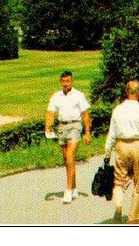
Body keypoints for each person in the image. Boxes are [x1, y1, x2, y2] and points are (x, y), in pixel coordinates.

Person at [104, 80, 139, 224]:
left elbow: (112, 133)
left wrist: (107, 153)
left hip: (121, 145)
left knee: (119, 180)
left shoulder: (117, 109)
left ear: (126, 92)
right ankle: (133, 217)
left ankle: (118, 206)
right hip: (138, 145)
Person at [44, 70, 92, 204]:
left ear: (72, 81)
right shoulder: (56, 96)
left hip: (75, 127)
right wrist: (48, 127)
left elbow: (85, 115)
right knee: (67, 160)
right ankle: (75, 188)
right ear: (61, 82)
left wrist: (87, 133)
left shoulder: (78, 95)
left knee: (70, 157)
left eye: (68, 81)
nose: (66, 84)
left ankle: (68, 190)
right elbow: (50, 113)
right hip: (61, 128)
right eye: (64, 81)